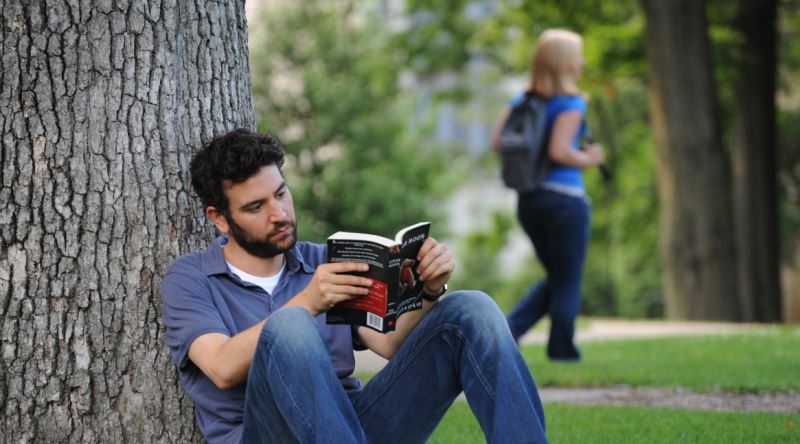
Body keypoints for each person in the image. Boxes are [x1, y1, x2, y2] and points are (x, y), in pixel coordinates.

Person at [161, 128, 548, 443]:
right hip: (265, 435)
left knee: (472, 309)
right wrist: (308, 302)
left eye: (280, 194)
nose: (278, 214)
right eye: (255, 207)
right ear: (219, 218)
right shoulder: (191, 278)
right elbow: (222, 367)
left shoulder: (324, 262)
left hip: (356, 427)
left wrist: (429, 291)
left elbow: (390, 345)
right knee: (290, 326)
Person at [491, 29, 604, 361]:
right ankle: (562, 349)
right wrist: (589, 159)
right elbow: (560, 151)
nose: (582, 63)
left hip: (529, 201)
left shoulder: (521, 101)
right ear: (565, 63)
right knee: (567, 280)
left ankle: (508, 333)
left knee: (558, 277)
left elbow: (497, 143)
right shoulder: (571, 103)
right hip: (565, 201)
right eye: (578, 57)